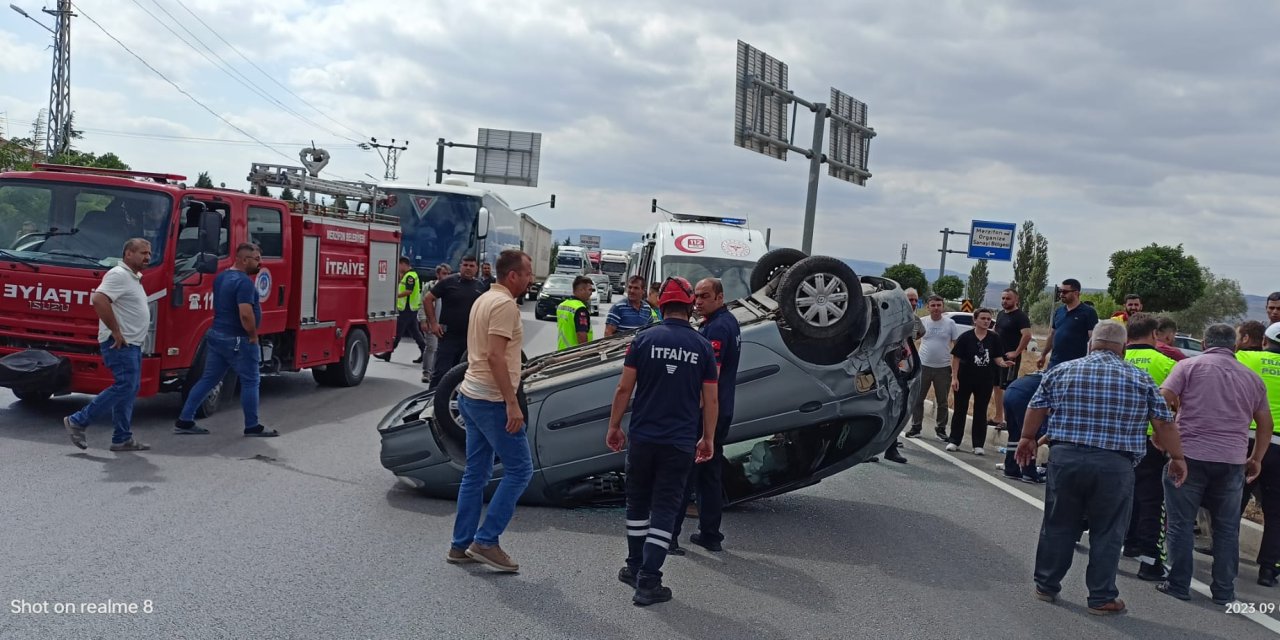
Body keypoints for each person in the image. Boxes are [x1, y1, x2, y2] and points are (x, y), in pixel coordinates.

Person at [1016, 320, 1185, 616]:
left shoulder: (1063, 370)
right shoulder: (1140, 378)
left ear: (1091, 342)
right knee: (1108, 531)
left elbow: (1037, 406)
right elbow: (1163, 422)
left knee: (1059, 523)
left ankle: (1046, 585)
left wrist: (1027, 438)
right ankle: (1101, 597)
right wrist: (1178, 457)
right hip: (1115, 465)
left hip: (1066, 459)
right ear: (1123, 347)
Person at [606, 276, 718, 606]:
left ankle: (634, 566)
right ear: (688, 306)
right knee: (666, 509)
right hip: (679, 442)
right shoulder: (702, 347)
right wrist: (707, 437)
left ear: (662, 305)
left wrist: (614, 426)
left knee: (637, 505)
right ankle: (648, 581)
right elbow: (710, 400)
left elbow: (624, 389)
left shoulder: (643, 339)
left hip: (642, 439)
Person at [1157, 323, 1271, 605]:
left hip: (1189, 455)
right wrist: (1256, 457)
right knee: (1227, 527)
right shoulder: (1251, 378)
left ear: (1205, 344)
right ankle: (1223, 591)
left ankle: (1178, 584)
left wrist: (1163, 437)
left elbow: (1162, 400)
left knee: (1181, 523)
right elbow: (1265, 422)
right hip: (1232, 461)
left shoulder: (1188, 368)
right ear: (1235, 347)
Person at [446, 250, 536, 573]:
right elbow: (496, 357)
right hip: (491, 401)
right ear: (512, 276)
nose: (531, 279)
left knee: (477, 472)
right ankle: (486, 541)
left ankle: (460, 545)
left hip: (470, 394)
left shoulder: (484, 298)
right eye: (527, 274)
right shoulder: (504, 306)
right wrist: (512, 403)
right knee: (520, 470)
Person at [174, 243, 278, 438]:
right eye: (257, 259)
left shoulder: (222, 277)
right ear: (244, 260)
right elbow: (245, 314)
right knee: (251, 381)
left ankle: (185, 420)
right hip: (239, 340)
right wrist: (253, 335)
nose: (261, 263)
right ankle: (252, 426)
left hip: (217, 336)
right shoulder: (244, 283)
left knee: (208, 379)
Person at [670, 277, 742, 552]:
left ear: (720, 297)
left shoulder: (717, 329)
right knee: (709, 475)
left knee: (684, 473)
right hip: (722, 409)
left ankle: (670, 537)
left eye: (704, 296)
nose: (697, 301)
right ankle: (711, 534)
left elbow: (710, 378)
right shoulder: (727, 321)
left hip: (705, 414)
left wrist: (691, 411)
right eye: (696, 296)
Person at [62, 238, 154, 452]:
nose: (147, 257)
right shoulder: (118, 275)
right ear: (128, 254)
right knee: (124, 386)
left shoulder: (133, 277)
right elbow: (99, 299)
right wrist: (115, 331)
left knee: (129, 389)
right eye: (142, 253)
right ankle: (78, 420)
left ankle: (122, 438)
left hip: (132, 344)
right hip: (119, 344)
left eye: (149, 253)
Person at [1119, 313, 1179, 581]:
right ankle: (1149, 562)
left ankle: (1124, 542)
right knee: (1151, 501)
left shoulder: (1117, 359)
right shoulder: (1167, 363)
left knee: (1115, 494)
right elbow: (1175, 407)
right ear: (1155, 334)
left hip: (1116, 439)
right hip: (1150, 440)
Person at [1238, 321, 1280, 586]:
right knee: (1276, 512)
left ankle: (1224, 559)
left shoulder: (1245, 357)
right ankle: (1268, 569)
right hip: (1279, 446)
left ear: (1264, 341)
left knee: (1233, 501)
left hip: (1247, 439)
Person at [947, 308, 1010, 454]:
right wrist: (954, 378)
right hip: (965, 378)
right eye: (983, 318)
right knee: (960, 410)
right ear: (975, 320)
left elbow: (997, 357)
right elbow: (956, 358)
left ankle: (978, 444)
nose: (986, 321)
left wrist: (1003, 363)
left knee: (981, 411)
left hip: (985, 380)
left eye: (988, 319)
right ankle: (954, 440)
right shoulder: (965, 337)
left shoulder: (994, 338)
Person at [423, 255, 489, 388]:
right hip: (448, 336)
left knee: (461, 375)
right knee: (441, 373)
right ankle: (431, 403)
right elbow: (428, 299)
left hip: (469, 338)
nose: (468, 268)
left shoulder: (480, 286)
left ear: (477, 269)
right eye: (465, 265)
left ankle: (451, 404)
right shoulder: (449, 282)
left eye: (471, 266)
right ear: (460, 266)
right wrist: (433, 324)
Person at [908, 295, 965, 442]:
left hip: (943, 368)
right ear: (928, 307)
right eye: (933, 305)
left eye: (939, 305)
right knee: (918, 399)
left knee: (942, 401)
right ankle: (916, 427)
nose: (936, 308)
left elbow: (956, 345)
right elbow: (912, 339)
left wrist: (956, 369)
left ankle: (940, 429)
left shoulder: (950, 323)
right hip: (924, 366)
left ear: (943, 306)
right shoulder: (923, 321)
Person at [1037, 279, 1099, 370]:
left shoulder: (1089, 312)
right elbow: (1052, 335)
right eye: (1060, 291)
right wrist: (1043, 355)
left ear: (1076, 293)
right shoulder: (1059, 311)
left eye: (1065, 292)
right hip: (1054, 362)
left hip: (1075, 365)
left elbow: (1093, 339)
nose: (1061, 294)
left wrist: (1091, 362)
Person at [992, 289, 1032, 428]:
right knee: (996, 386)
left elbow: (1027, 335)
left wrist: (1016, 352)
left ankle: (1007, 420)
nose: (1004, 301)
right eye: (1003, 298)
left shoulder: (1020, 316)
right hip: (997, 357)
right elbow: (996, 331)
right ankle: (998, 417)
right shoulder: (1001, 314)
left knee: (1007, 388)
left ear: (1016, 300)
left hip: (1010, 359)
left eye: (1008, 298)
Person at [378, 257, 428, 363]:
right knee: (415, 333)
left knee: (397, 333)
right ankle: (425, 352)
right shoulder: (408, 275)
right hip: (409, 308)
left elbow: (408, 291)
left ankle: (388, 353)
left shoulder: (410, 276)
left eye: (399, 265)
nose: (398, 267)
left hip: (407, 308)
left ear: (404, 264)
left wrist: (395, 296)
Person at [999, 371, 1044, 483]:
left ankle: (1010, 469)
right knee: (1030, 434)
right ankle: (1029, 472)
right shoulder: (1058, 379)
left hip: (1010, 391)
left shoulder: (1043, 374)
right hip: (1024, 397)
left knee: (1014, 433)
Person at [417, 263, 451, 384]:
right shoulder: (430, 286)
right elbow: (423, 303)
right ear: (438, 274)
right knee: (431, 347)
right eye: (444, 273)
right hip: (432, 322)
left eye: (448, 274)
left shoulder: (451, 288)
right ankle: (427, 372)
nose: (446, 276)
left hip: (445, 324)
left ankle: (438, 372)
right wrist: (423, 320)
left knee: (441, 350)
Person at [555, 276, 594, 351]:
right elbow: (581, 334)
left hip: (561, 350)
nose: (591, 293)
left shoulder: (562, 305)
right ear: (581, 290)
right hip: (574, 354)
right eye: (589, 290)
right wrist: (586, 353)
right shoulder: (580, 309)